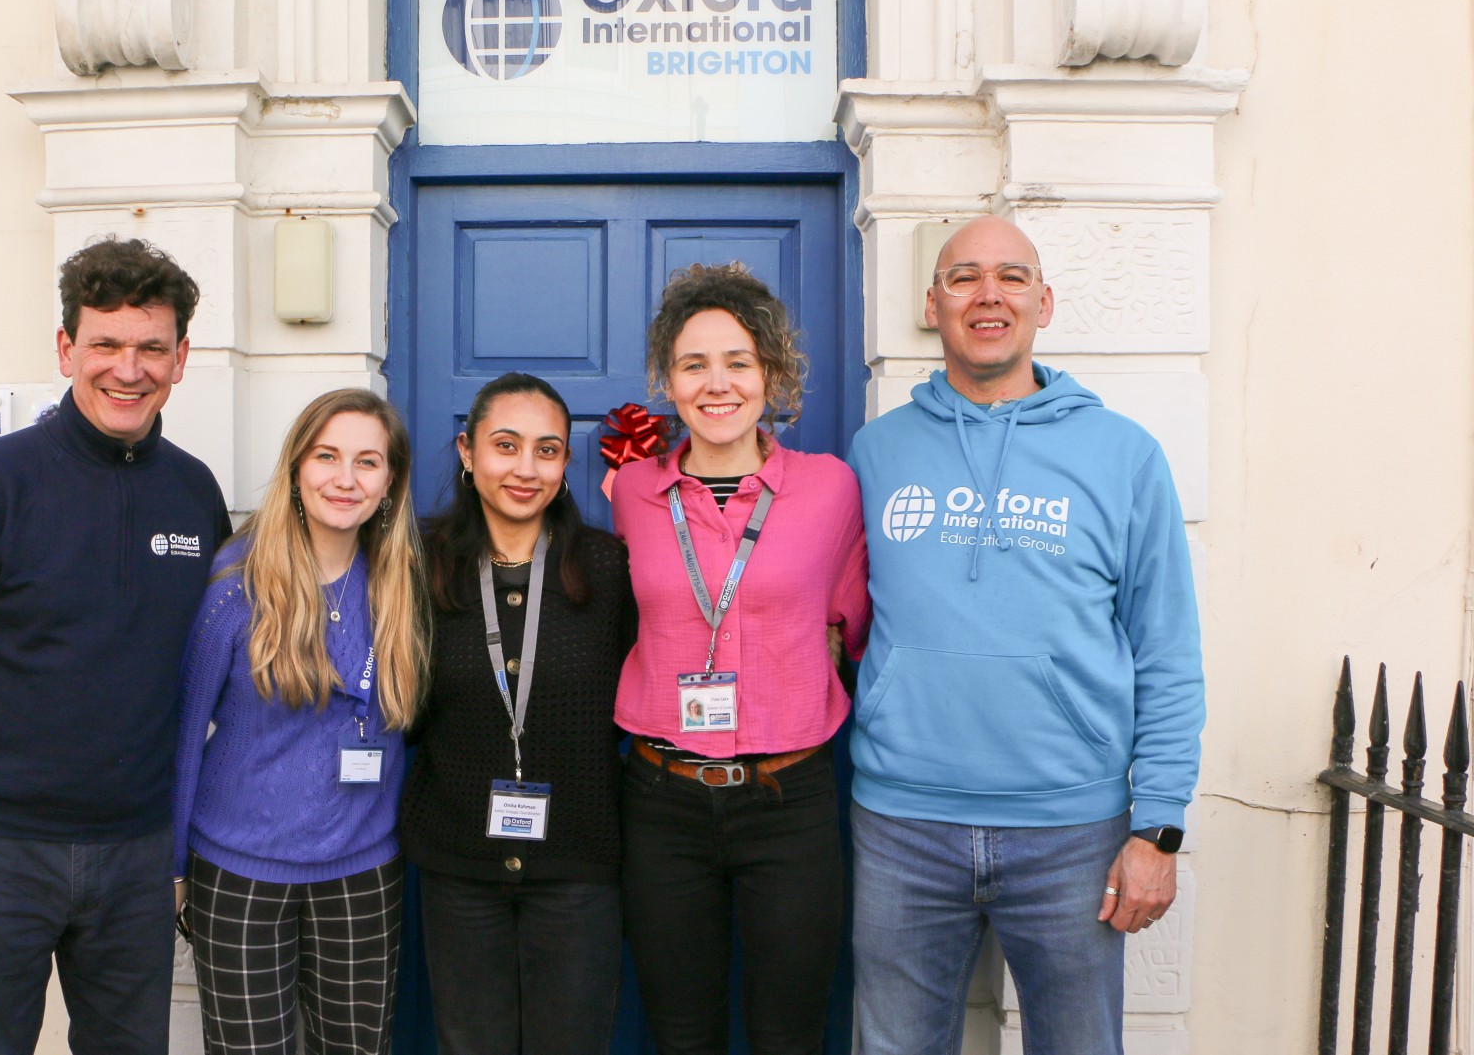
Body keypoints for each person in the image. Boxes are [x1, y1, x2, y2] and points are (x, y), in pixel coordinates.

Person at [846, 216, 1206, 1054]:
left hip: (1072, 828)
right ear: (932, 303)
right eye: (963, 276)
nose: (988, 294)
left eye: (1011, 276)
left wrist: (1158, 827)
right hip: (902, 823)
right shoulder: (877, 451)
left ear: (1043, 302)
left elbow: (1167, 650)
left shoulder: (1124, 455)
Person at [0, 237, 231, 1055]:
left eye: (151, 347)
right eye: (105, 344)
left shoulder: (194, 492)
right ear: (68, 347)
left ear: (181, 359)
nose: (128, 368)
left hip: (139, 852)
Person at [610, 263, 870, 1055]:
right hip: (663, 799)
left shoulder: (831, 490)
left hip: (788, 801)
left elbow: (850, 622)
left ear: (772, 375)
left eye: (739, 362)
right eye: (694, 364)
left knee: (788, 1034)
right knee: (680, 1032)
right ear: (666, 379)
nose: (716, 383)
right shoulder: (631, 493)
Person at [171, 387, 426, 1055]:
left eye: (367, 462)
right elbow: (182, 736)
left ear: (391, 481)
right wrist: (171, 867)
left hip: (363, 872)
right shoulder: (236, 587)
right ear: (295, 468)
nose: (345, 478)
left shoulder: (402, 586)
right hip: (239, 874)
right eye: (327, 456)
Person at [399, 372, 638, 1055]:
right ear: (468, 452)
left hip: (578, 866)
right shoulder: (419, 560)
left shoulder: (607, 565)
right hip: (458, 865)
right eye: (506, 445)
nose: (526, 468)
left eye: (548, 449)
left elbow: (638, 696)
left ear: (566, 465)